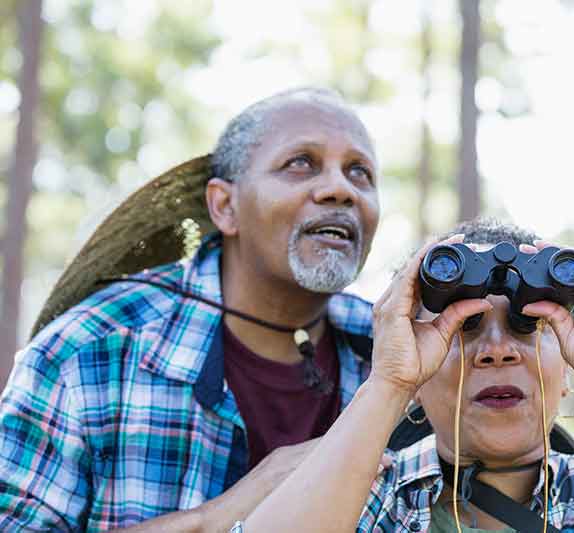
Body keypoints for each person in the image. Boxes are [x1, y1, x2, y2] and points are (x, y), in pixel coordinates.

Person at [0, 88, 382, 531]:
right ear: (225, 206)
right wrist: (229, 509)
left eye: (360, 173)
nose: (340, 189)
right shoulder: (87, 351)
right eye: (300, 164)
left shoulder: (398, 359)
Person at [238, 218, 574, 532]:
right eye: (464, 329)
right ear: (418, 385)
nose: (496, 352)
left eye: (527, 326)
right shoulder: (370, 503)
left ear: (567, 375)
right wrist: (388, 384)